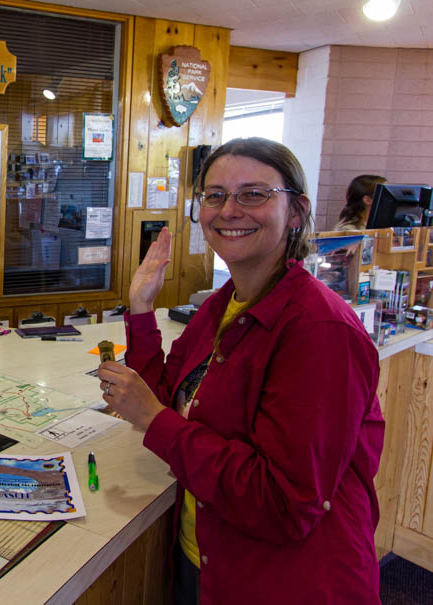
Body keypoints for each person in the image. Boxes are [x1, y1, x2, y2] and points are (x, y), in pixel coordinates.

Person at [98, 138, 384, 604]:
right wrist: (141, 306)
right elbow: (166, 395)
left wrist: (154, 420)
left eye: (253, 194)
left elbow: (284, 504)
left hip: (287, 582)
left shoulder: (320, 330)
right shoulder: (222, 304)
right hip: (205, 559)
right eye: (215, 195)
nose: (229, 209)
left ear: (296, 211)